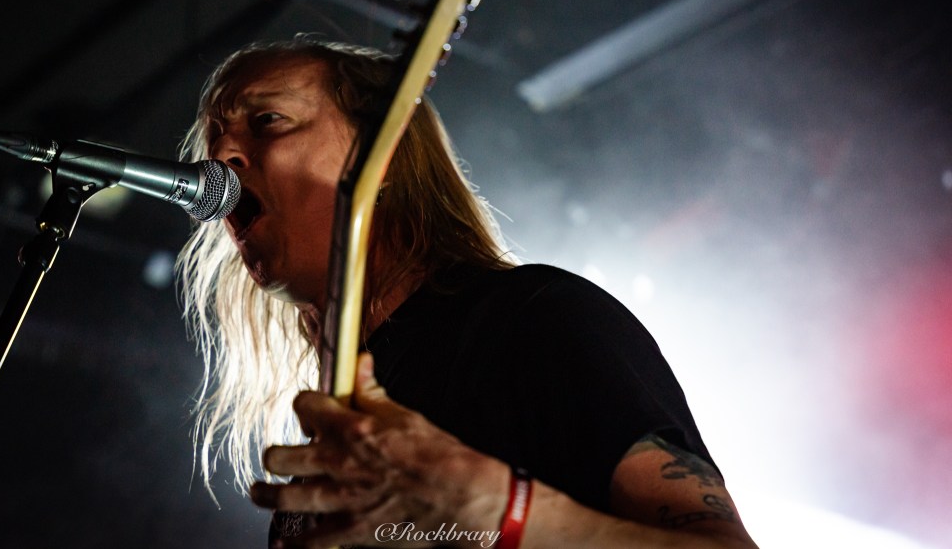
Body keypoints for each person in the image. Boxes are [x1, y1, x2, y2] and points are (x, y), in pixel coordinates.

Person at [176, 36, 759, 548]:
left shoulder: (534, 318)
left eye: (267, 121)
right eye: (215, 140)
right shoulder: (342, 436)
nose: (220, 159)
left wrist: (494, 509)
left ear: (382, 153)